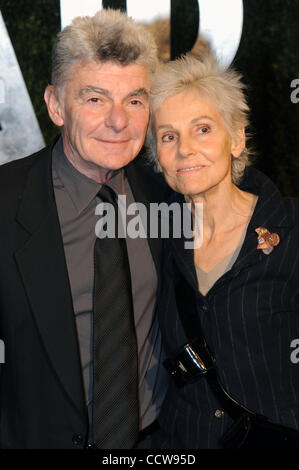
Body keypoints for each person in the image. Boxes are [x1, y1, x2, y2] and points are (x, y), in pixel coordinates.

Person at [0, 9, 170, 449]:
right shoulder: (4, 203)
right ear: (55, 105)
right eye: (95, 99)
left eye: (134, 100)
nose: (119, 122)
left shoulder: (170, 193)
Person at [148, 54, 299, 448]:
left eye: (202, 129)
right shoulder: (151, 240)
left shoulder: (293, 230)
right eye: (168, 136)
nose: (184, 149)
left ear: (236, 138)